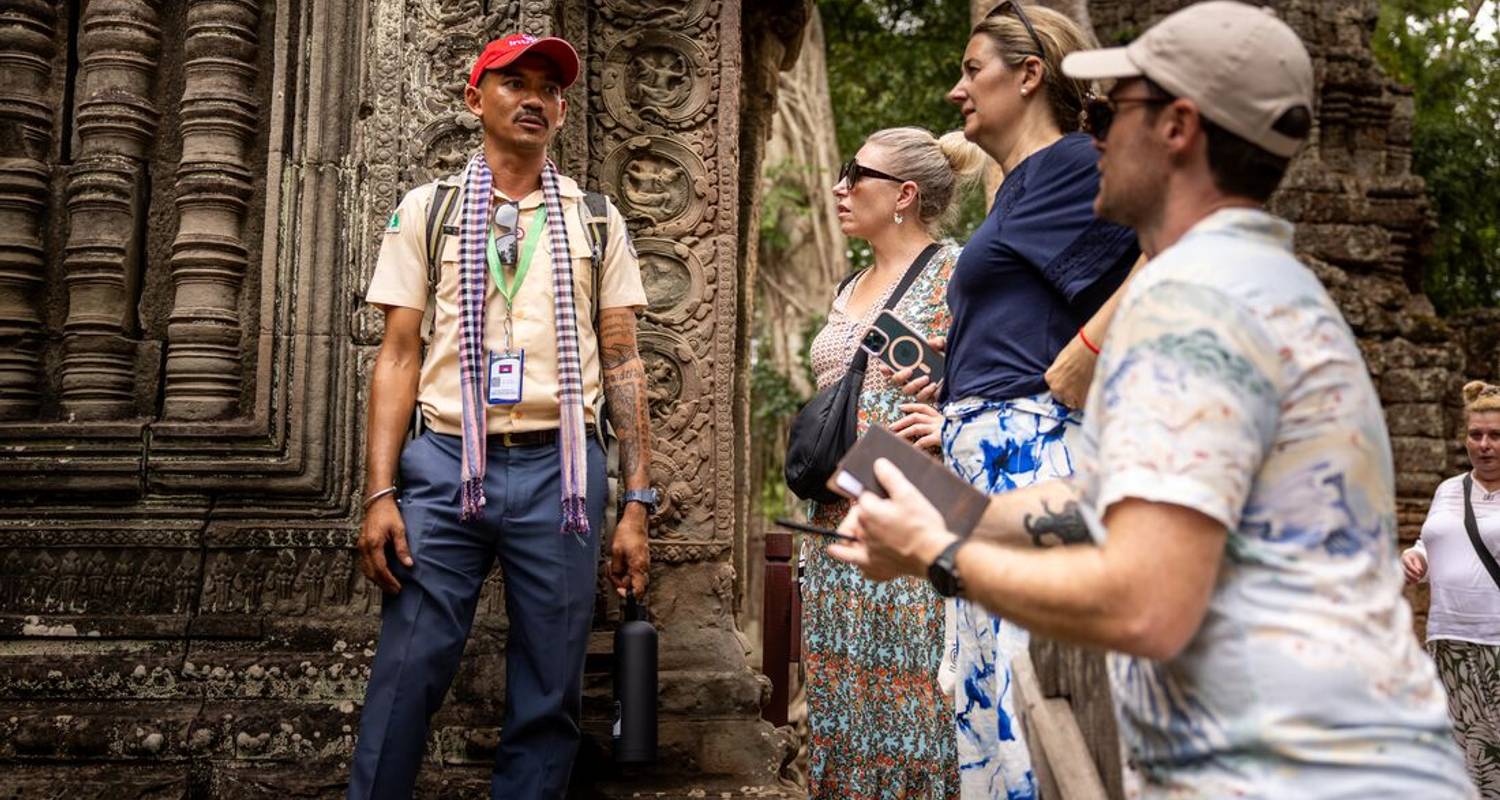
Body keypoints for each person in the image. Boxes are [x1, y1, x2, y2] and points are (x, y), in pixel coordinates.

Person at [831, 2, 1475, 796]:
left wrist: (938, 555)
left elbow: (1146, 603)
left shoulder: (1198, 307)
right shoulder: (1240, 283)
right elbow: (1107, 498)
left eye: (1110, 113)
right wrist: (953, 514)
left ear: (1178, 128)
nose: (1092, 135)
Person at [349, 33, 655, 799]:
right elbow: (398, 355)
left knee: (550, 690)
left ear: (561, 111)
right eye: (515, 82)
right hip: (445, 463)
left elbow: (623, 360)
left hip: (563, 472)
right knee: (406, 670)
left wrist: (637, 502)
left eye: (550, 89)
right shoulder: (429, 210)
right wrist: (379, 493)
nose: (534, 99)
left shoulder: (594, 218)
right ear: (474, 97)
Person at [891, 4, 1141, 797]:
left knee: (1024, 697)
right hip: (987, 453)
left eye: (973, 70)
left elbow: (1169, 251)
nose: (957, 90)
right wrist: (958, 381)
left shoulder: (1072, 164)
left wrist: (1081, 357)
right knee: (982, 705)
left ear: (1029, 74)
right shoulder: (1017, 189)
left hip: (1038, 455)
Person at [800, 126, 985, 800]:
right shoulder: (849, 283)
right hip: (835, 519)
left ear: (904, 195)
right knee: (840, 693)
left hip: (915, 514)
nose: (840, 188)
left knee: (913, 697)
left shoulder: (957, 274)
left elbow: (1010, 383)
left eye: (858, 175)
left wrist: (953, 421)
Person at [1404, 379, 1500, 796]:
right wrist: (1416, 558)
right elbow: (1434, 543)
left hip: (1497, 642)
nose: (1484, 445)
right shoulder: (1448, 490)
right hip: (1448, 644)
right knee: (1459, 758)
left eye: (1496, 435)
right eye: (1476, 435)